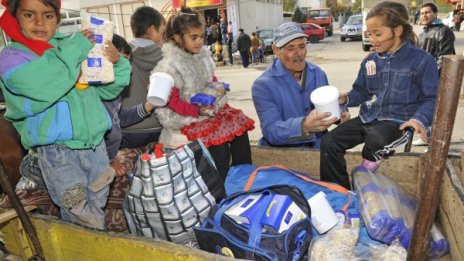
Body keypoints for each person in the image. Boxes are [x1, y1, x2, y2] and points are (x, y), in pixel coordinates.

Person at [0, 0, 130, 229]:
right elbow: (43, 85)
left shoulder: (72, 47)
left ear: (58, 19)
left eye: (48, 16)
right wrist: (74, 50)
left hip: (95, 146)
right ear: (14, 16)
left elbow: (107, 89)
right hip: (59, 152)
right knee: (76, 206)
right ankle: (94, 244)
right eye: (29, 15)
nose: (40, 22)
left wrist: (116, 64)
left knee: (98, 199)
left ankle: (93, 239)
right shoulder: (12, 58)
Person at [320, 1, 438, 190]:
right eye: (369, 34)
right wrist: (346, 98)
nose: (372, 40)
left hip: (398, 122)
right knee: (329, 142)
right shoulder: (370, 61)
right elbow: (362, 91)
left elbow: (432, 98)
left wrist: (418, 119)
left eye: (378, 34)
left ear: (397, 31)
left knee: (375, 140)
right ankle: (339, 192)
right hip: (369, 117)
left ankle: (363, 178)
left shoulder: (422, 60)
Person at [151, 7, 254, 181]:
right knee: (219, 148)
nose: (199, 42)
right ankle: (218, 191)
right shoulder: (169, 66)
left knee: (240, 129)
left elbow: (210, 79)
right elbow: (173, 103)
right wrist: (197, 111)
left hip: (207, 110)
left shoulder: (202, 56)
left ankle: (242, 179)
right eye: (194, 37)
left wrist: (217, 89)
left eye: (201, 37)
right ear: (177, 37)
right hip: (185, 117)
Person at [252, 22, 343, 148]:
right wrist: (304, 126)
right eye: (290, 48)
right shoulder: (263, 85)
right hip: (285, 156)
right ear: (276, 50)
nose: (299, 53)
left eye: (301, 46)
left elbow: (328, 107)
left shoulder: (318, 73)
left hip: (319, 148)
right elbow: (271, 131)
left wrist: (340, 112)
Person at [120, 6, 166, 149]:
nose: (163, 38)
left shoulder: (120, 56)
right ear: (151, 30)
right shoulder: (166, 57)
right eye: (162, 33)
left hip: (128, 129)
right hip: (159, 129)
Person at [418, 3, 455, 73]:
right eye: (422, 13)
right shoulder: (422, 34)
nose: (424, 16)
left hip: (433, 76)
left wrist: (431, 76)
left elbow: (444, 58)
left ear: (435, 14)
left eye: (427, 12)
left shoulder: (444, 31)